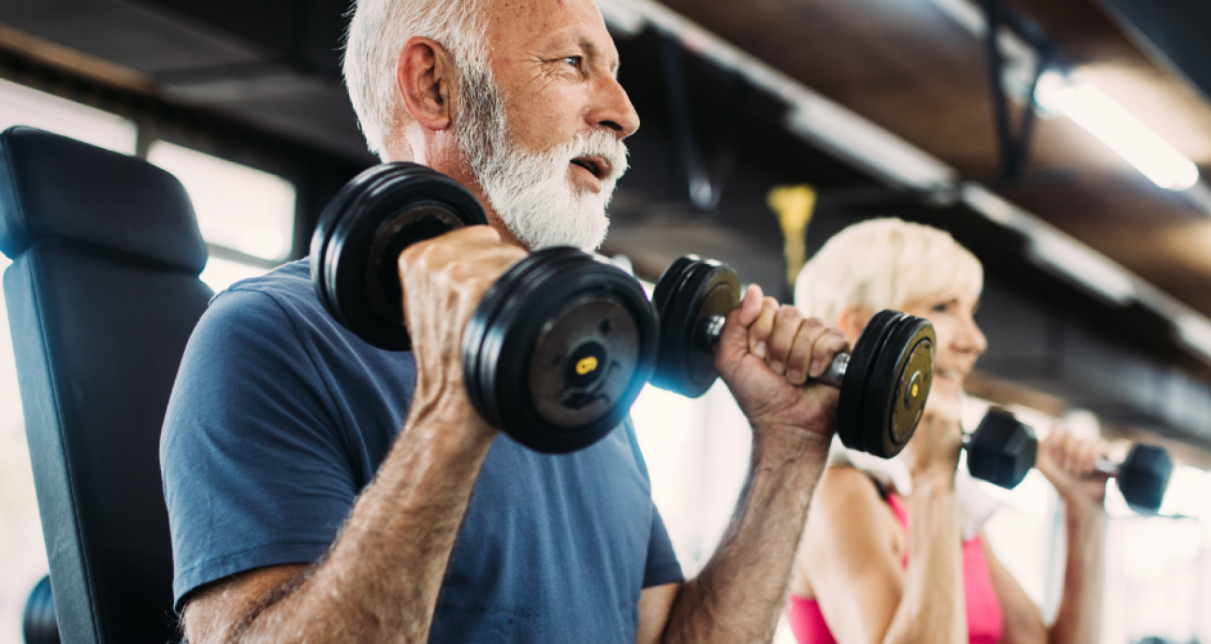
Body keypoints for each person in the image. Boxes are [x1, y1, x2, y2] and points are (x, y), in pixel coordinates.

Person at [159, 0, 852, 641]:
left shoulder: (586, 367)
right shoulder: (269, 337)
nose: (624, 112)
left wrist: (789, 449)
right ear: (434, 86)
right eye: (573, 64)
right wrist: (450, 418)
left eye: (614, 73)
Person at [787, 218, 1109, 644]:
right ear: (862, 330)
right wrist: (935, 480)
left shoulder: (940, 506)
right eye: (942, 307)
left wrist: (1082, 513)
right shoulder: (838, 493)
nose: (976, 341)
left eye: (970, 312)